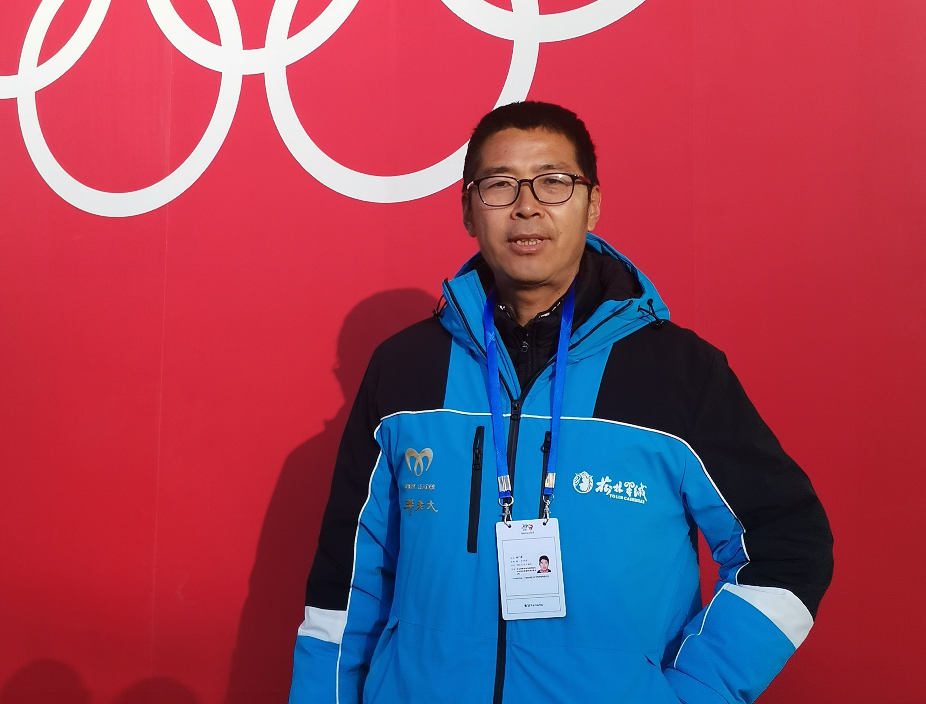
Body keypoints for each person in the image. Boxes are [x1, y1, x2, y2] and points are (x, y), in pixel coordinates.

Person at [287, 101, 833, 704]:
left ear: (592, 204)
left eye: (553, 182)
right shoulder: (404, 369)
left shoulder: (679, 373)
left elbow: (787, 546)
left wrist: (697, 690)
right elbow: (346, 584)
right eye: (499, 185)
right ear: (468, 210)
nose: (527, 206)